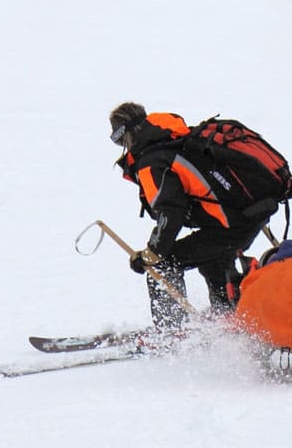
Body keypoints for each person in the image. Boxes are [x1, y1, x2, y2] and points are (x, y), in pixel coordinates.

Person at [109, 102, 274, 329]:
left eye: (118, 140)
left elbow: (171, 211)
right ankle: (228, 316)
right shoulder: (178, 141)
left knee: (163, 265)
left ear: (126, 135)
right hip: (247, 216)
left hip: (231, 226)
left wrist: (152, 253)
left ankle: (171, 336)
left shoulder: (152, 160)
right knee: (213, 258)